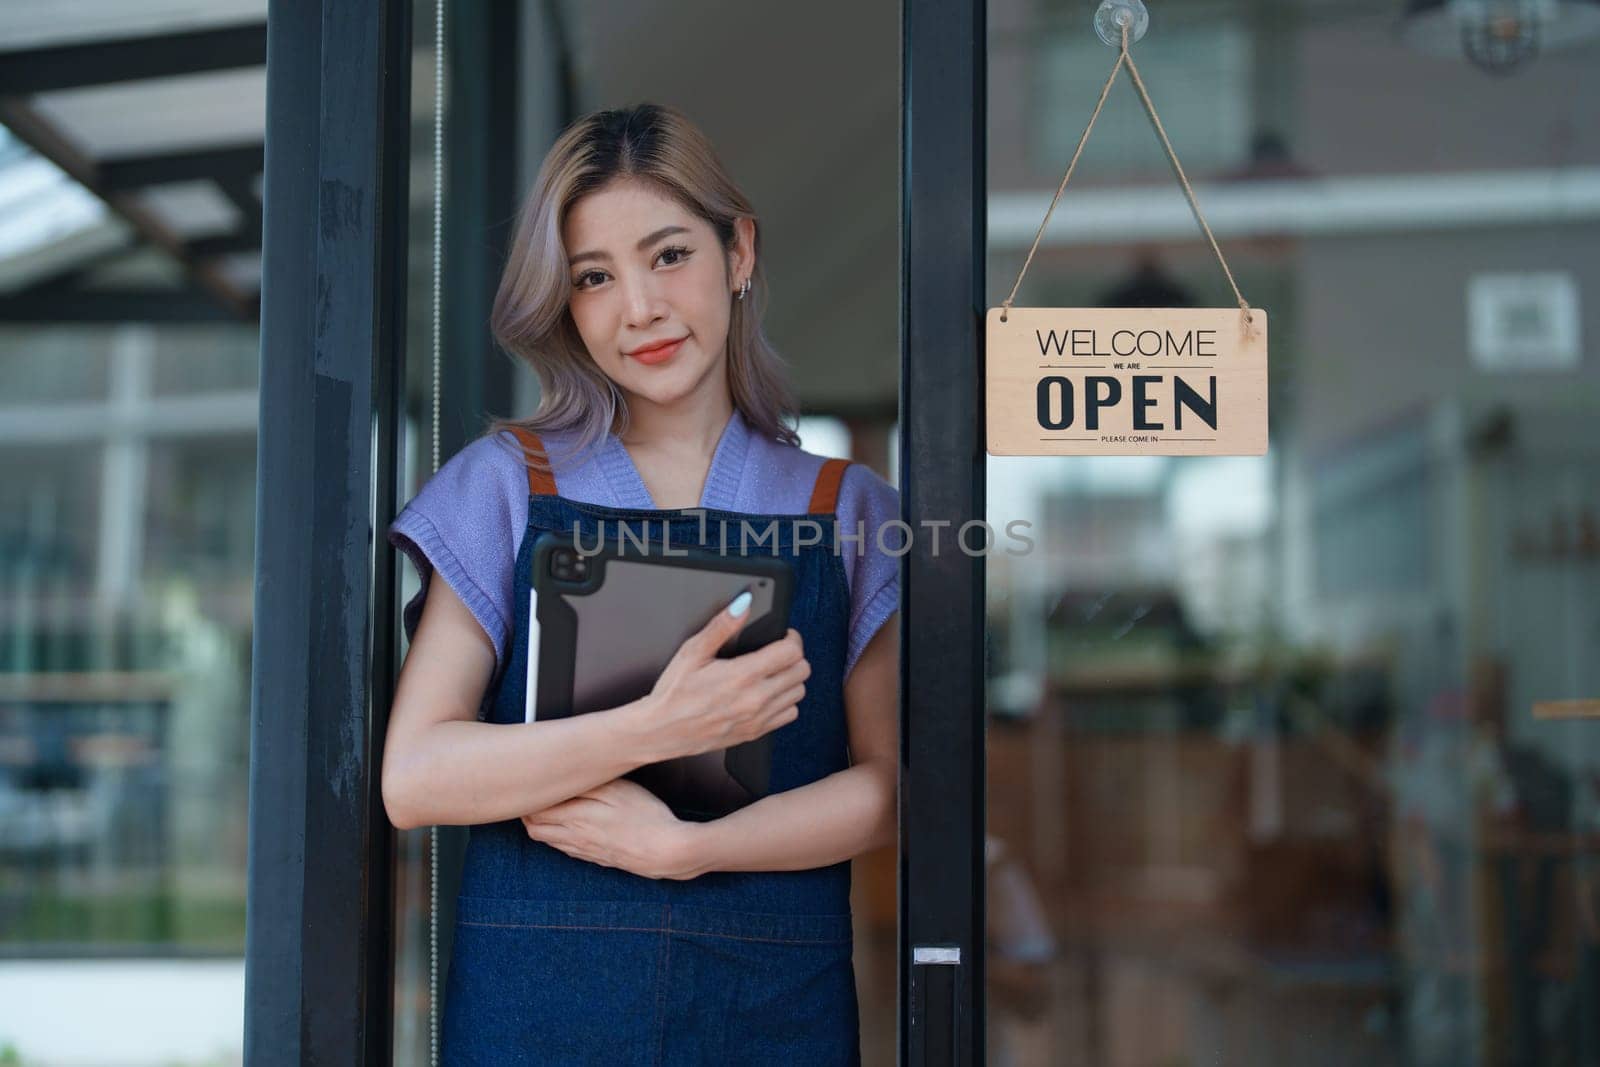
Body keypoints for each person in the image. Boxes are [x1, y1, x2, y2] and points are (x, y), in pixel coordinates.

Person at [381, 102, 901, 1064]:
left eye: (669, 255)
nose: (640, 309)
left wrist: (689, 849)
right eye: (594, 277)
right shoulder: (508, 484)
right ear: (567, 303)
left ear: (738, 252)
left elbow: (888, 789)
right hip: (537, 1011)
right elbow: (415, 779)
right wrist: (655, 729)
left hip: (774, 1003)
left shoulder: (847, 507)